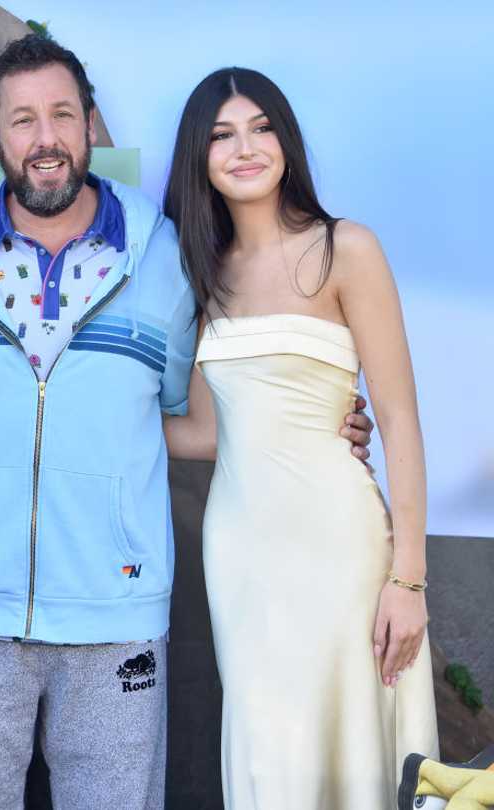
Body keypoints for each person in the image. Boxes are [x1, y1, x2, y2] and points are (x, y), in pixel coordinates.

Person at [0, 35, 374, 809]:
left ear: (92, 124)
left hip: (117, 614)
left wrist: (321, 423)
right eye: (22, 121)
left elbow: (212, 407)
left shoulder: (167, 256)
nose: (45, 139)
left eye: (63, 114)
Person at [162, 67, 439, 808]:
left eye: (261, 127)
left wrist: (408, 580)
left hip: (343, 548)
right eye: (222, 135)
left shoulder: (346, 248)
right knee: (270, 753)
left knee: (352, 750)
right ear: (199, 157)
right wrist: (88, 426)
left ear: (287, 139)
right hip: (242, 554)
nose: (245, 148)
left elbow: (401, 419)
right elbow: (203, 433)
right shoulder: (203, 273)